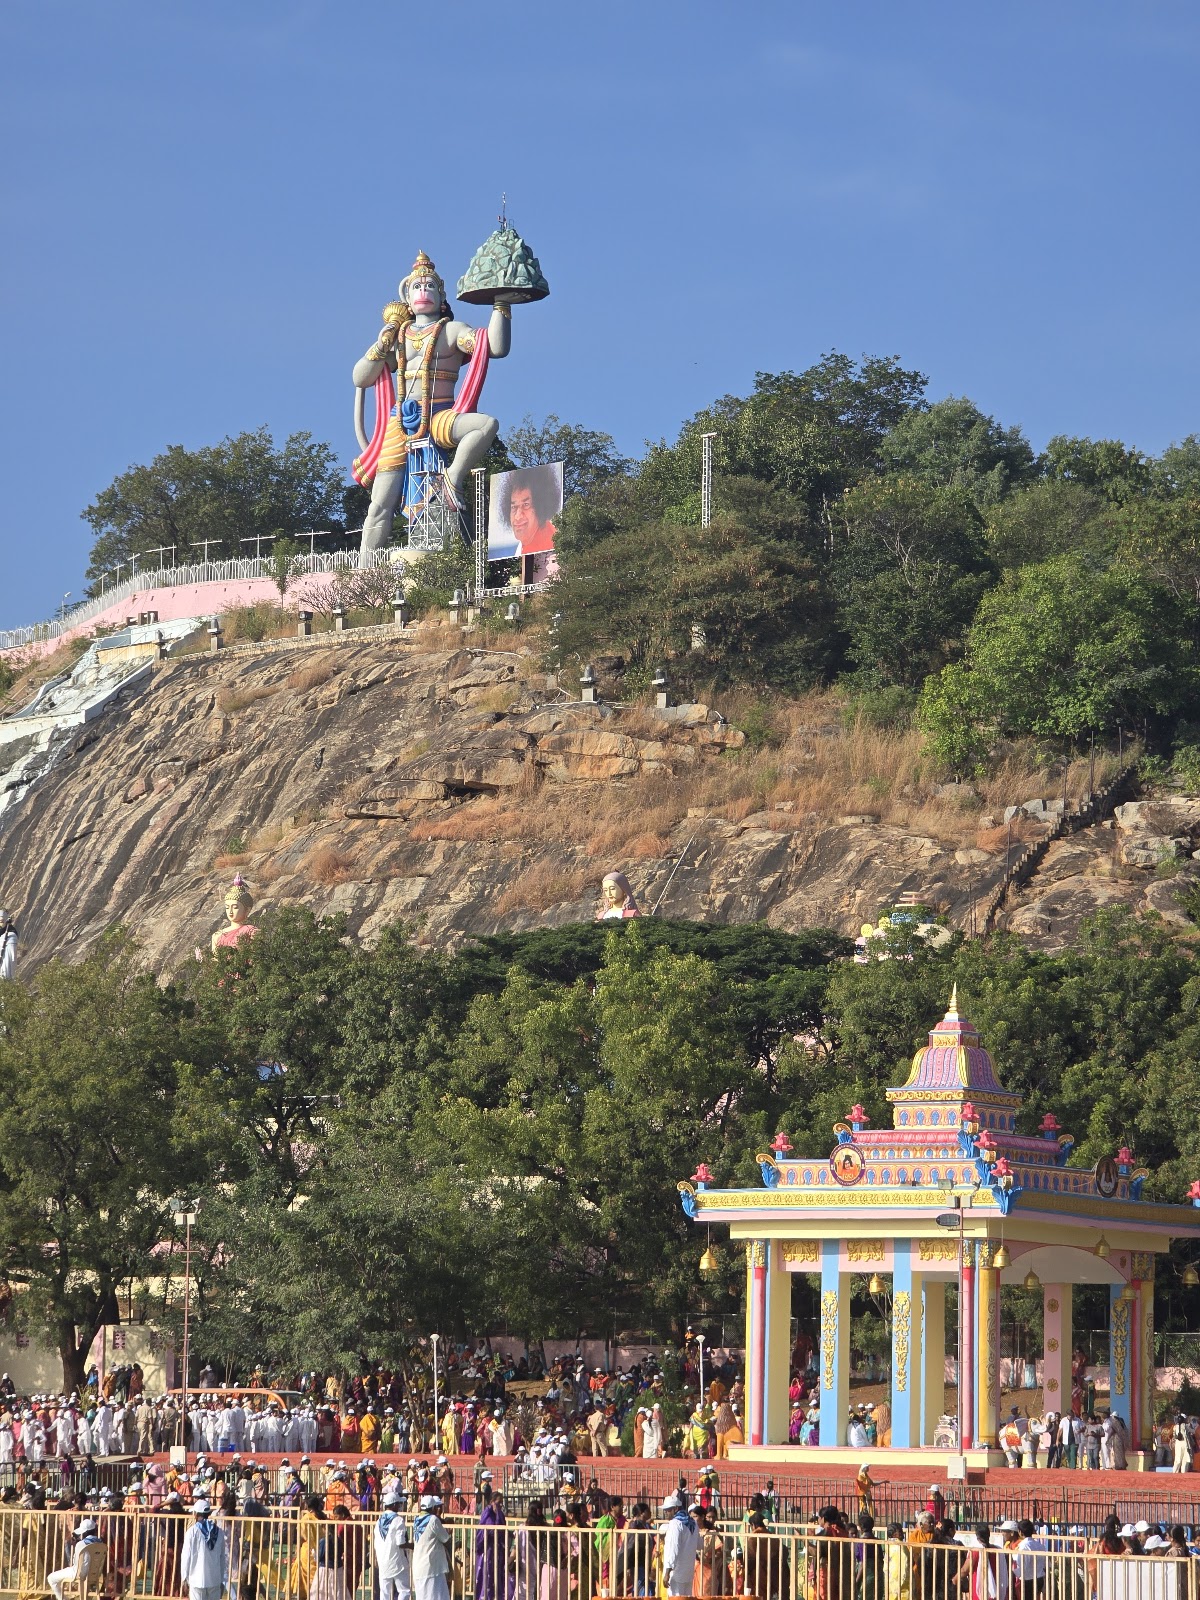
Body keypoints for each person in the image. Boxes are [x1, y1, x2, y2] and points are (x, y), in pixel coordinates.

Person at [352, 250, 512, 561]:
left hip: (439, 416)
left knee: (485, 425)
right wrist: (382, 343)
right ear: (407, 298)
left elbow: (493, 347)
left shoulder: (450, 330)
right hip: (400, 423)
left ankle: (451, 479)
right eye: (416, 287)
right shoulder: (397, 337)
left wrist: (501, 302)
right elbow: (361, 378)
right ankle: (365, 573)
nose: (423, 290)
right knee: (379, 505)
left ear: (441, 297)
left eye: (430, 286)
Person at [499, 469, 560, 583]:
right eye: (514, 507)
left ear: (540, 507)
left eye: (526, 505)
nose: (517, 516)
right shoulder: (520, 547)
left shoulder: (553, 541)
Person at [48, 1516, 105, 1600]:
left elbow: (76, 1562)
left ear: (85, 1532)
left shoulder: (81, 1544)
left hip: (79, 1573)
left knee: (51, 1578)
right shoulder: (101, 1543)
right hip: (94, 1573)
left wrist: (76, 1545)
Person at [180, 1499, 227, 1600]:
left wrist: (184, 1578)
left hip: (196, 1579)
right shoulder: (219, 1532)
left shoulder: (192, 1532)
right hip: (214, 1579)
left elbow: (186, 1557)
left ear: (196, 1514)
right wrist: (221, 1579)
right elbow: (222, 1557)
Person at [411, 1493, 452, 1600]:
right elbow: (445, 1539)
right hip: (432, 1568)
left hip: (419, 1566)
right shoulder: (433, 1519)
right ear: (434, 1508)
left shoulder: (416, 1520)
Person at [374, 1488, 413, 1600]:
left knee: (385, 1593)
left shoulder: (378, 1521)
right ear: (394, 1505)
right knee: (404, 1590)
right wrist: (412, 1545)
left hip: (383, 1561)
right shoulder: (398, 1520)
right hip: (397, 1561)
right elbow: (400, 1542)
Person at [661, 1494, 699, 1597]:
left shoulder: (675, 1524)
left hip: (676, 1572)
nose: (665, 1512)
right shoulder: (693, 1524)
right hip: (688, 1571)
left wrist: (668, 1572)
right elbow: (699, 1545)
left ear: (675, 1509)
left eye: (668, 1509)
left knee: (675, 1596)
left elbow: (673, 1549)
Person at [0, 911, 16, 981]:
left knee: (5, 974)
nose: (1, 923)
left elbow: (11, 953)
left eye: (2, 921)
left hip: (5, 958)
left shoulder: (11, 932)